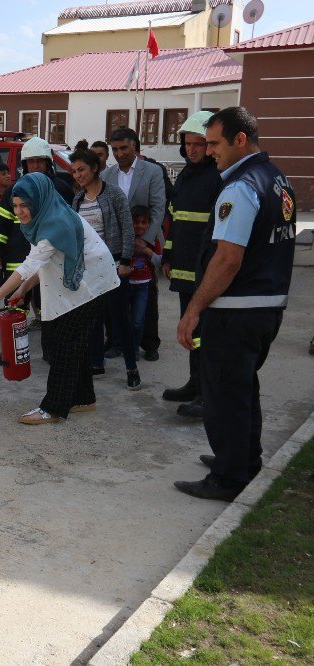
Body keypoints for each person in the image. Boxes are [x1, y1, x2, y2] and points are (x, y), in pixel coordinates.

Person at [174, 106, 296, 501]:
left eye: (214, 143)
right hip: (265, 307)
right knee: (243, 390)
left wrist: (193, 309)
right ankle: (244, 460)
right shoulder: (276, 178)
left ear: (240, 140)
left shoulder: (241, 187)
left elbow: (227, 258)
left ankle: (228, 478)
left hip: (235, 311)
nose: (210, 152)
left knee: (224, 396)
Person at [0, 173, 120, 424]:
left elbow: (29, 264)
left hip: (93, 285)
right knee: (73, 343)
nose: (20, 212)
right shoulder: (48, 216)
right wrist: (22, 290)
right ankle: (83, 398)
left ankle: (53, 408)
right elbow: (43, 260)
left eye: (25, 205)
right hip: (86, 282)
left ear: (39, 201)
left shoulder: (55, 224)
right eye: (16, 206)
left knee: (63, 343)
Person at [161, 111, 223, 419]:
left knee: (207, 334)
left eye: (199, 144)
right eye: (188, 144)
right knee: (192, 332)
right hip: (185, 269)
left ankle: (207, 396)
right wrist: (169, 255)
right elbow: (176, 221)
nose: (193, 150)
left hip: (207, 273)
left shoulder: (219, 178)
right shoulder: (186, 175)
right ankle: (195, 384)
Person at [0, 137, 72, 358]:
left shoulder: (61, 189)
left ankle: (50, 350)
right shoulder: (14, 190)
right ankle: (11, 349)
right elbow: (2, 222)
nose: (35, 166)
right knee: (15, 305)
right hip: (19, 257)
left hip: (51, 259)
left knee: (49, 306)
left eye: (40, 161)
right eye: (31, 162)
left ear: (48, 162)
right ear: (24, 165)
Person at [70, 143, 141, 390]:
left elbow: (128, 230)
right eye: (74, 171)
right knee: (92, 318)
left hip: (113, 263)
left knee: (120, 318)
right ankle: (96, 361)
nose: (78, 175)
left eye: (82, 169)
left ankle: (132, 368)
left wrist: (125, 261)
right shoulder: (77, 199)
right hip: (89, 268)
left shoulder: (114, 195)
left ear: (95, 168)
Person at [103, 127, 167, 361]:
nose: (119, 154)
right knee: (115, 294)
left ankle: (149, 343)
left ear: (135, 146)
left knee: (146, 294)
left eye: (124, 148)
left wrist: (145, 239)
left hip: (144, 243)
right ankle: (115, 341)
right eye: (115, 149)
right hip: (115, 245)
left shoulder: (152, 172)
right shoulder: (106, 176)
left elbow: (158, 208)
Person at [129, 206, 162, 354]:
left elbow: (159, 261)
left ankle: (135, 347)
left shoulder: (152, 241)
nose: (140, 226)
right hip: (127, 283)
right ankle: (125, 346)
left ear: (149, 224)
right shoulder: (127, 239)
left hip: (144, 286)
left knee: (138, 319)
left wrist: (147, 251)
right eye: (136, 222)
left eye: (144, 222)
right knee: (125, 317)